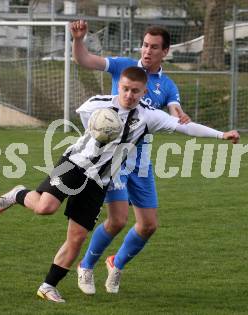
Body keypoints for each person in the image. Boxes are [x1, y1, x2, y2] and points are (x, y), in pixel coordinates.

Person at [0, 67, 240, 303]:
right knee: (45, 207)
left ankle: (47, 287)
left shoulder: (148, 116)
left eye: (135, 91)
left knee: (77, 237)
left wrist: (221, 135)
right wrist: (99, 129)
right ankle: (18, 194)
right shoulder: (98, 103)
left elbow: (184, 127)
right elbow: (84, 117)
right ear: (119, 87)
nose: (129, 95)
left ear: (144, 92)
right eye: (125, 89)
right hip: (74, 164)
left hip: (100, 180)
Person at [70, 20, 193, 295]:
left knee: (148, 225)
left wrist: (180, 116)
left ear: (166, 52)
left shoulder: (167, 85)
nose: (148, 51)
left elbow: (175, 108)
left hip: (141, 161)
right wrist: (79, 40)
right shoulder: (123, 66)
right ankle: (86, 265)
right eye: (145, 45)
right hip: (114, 160)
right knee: (117, 220)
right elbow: (85, 59)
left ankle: (116, 263)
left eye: (154, 47)